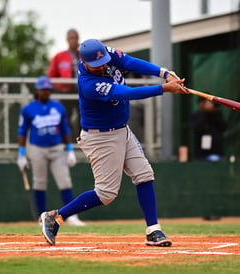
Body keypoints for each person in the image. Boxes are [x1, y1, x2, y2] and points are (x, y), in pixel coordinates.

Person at [40, 39, 188, 246]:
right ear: (84, 62)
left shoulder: (103, 54)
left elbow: (130, 62)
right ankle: (55, 216)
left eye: (103, 61)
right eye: (96, 64)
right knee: (106, 193)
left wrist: (164, 72)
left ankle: (153, 231)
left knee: (144, 174)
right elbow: (126, 93)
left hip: (122, 129)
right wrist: (164, 89)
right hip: (100, 137)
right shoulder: (89, 84)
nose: (101, 66)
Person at [17, 76, 85, 226]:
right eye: (43, 89)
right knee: (39, 183)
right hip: (37, 149)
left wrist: (70, 150)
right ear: (37, 90)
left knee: (64, 181)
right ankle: (42, 217)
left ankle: (71, 216)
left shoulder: (57, 106)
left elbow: (64, 129)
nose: (46, 92)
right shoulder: (28, 109)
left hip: (56, 148)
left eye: (48, 89)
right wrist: (21, 154)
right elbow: (22, 131)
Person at [47, 28, 81, 131]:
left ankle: (82, 141)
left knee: (84, 115)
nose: (73, 40)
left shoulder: (83, 55)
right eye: (71, 38)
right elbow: (51, 76)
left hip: (82, 90)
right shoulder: (59, 56)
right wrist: (61, 86)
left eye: (75, 38)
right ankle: (68, 142)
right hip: (66, 91)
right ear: (67, 40)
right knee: (66, 116)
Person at [190, 97, 227, 161]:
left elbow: (223, 127)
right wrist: (205, 112)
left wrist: (213, 112)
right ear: (200, 103)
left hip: (217, 150)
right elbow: (197, 128)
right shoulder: (196, 115)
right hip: (201, 153)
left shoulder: (217, 114)